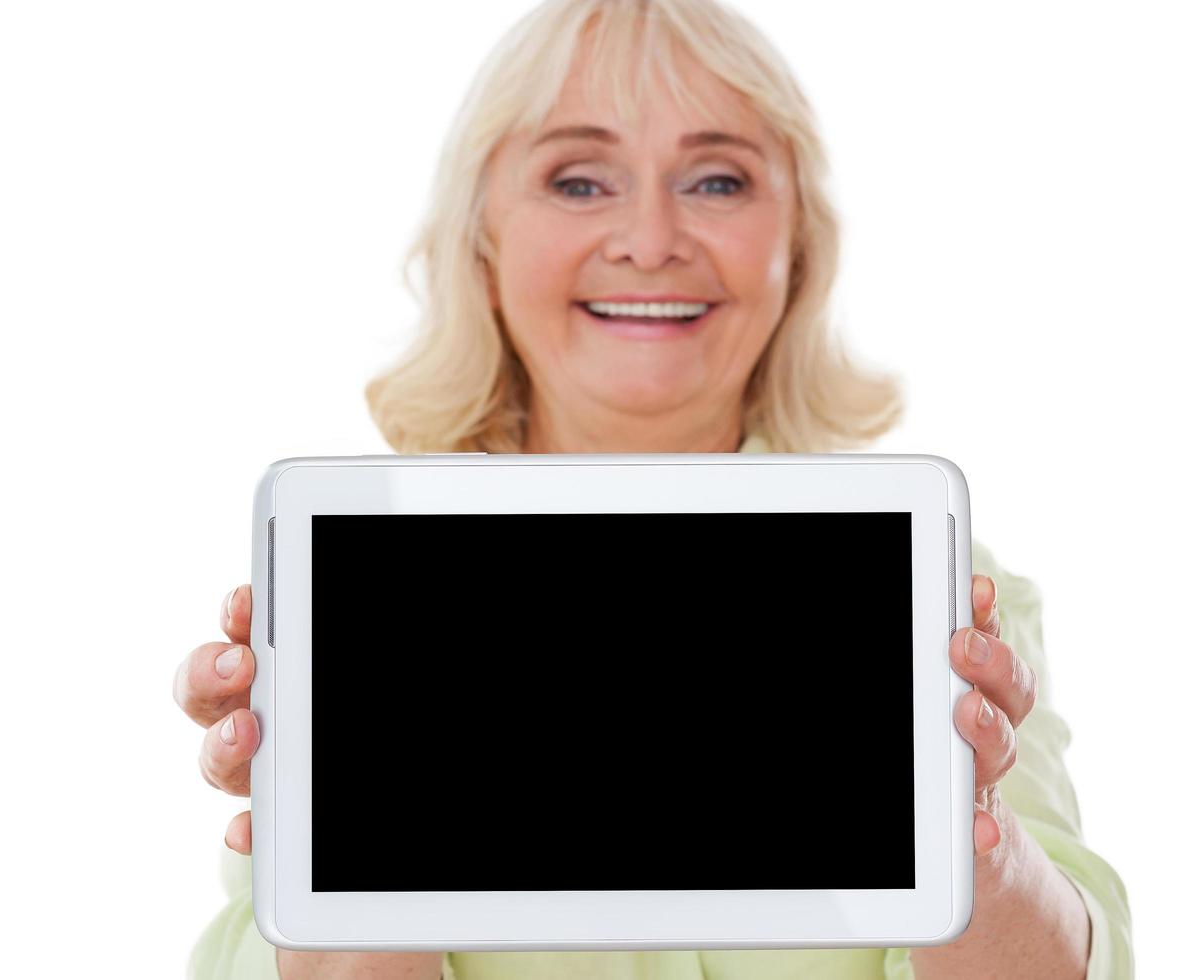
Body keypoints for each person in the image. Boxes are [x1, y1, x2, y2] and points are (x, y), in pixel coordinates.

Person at [175, 1, 1133, 976]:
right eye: (579, 180)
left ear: (795, 244)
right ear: (482, 240)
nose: (649, 237)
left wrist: (978, 833)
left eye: (716, 180)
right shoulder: (358, 588)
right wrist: (358, 811)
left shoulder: (938, 586)